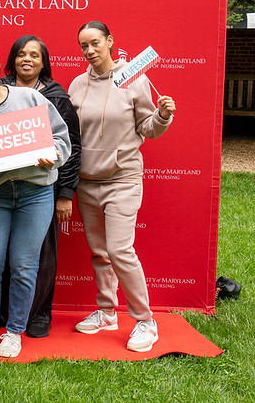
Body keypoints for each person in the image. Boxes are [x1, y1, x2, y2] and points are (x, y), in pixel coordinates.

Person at [0, 45, 71, 358]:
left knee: (23, 265)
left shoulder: (30, 98)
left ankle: (15, 331)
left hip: (35, 194)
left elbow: (62, 140)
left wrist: (54, 155)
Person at [68, 20, 176, 353]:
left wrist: (161, 116)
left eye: (95, 43)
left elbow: (148, 127)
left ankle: (146, 320)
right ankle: (105, 313)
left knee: (119, 250)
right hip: (87, 182)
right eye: (83, 46)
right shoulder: (76, 84)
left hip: (122, 179)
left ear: (110, 41)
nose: (89, 51)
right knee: (100, 253)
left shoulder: (133, 78)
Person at [0, 34, 82, 338]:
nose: (27, 59)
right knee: (4, 254)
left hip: (42, 189)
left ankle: (39, 314)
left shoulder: (57, 97)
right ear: (12, 59)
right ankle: (6, 313)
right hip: (0, 188)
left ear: (44, 62)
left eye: (34, 55)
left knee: (41, 255)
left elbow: (72, 147)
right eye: (21, 54)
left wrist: (65, 194)